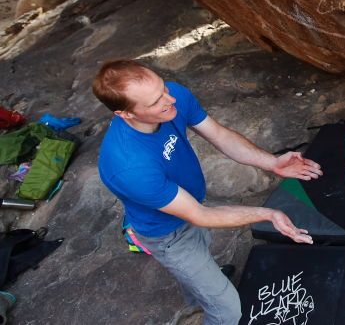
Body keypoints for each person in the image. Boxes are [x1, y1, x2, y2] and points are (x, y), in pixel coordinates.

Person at [93, 61, 322, 325]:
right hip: (167, 234)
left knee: (201, 255)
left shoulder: (172, 98)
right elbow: (199, 215)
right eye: (156, 101)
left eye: (163, 87)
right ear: (125, 114)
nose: (170, 99)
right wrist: (268, 214)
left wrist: (272, 162)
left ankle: (201, 288)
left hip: (191, 202)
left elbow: (219, 135)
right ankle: (207, 294)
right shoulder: (128, 166)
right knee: (227, 311)